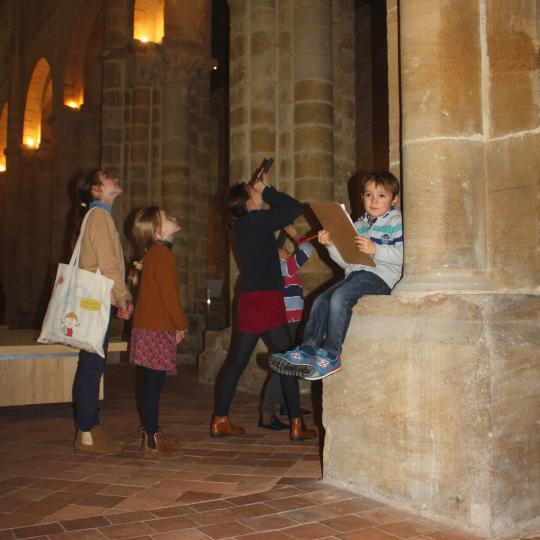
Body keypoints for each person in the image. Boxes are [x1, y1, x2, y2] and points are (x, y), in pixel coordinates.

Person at [211, 170, 316, 441]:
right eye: (253, 191)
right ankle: (296, 424)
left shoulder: (240, 226)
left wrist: (258, 190)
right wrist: (267, 189)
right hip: (267, 300)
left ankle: (220, 419)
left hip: (247, 300)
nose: (257, 193)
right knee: (288, 361)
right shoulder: (257, 220)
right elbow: (294, 208)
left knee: (235, 363)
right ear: (248, 202)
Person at [270, 170, 403, 381]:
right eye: (368, 195)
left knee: (340, 297)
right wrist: (331, 245)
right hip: (355, 274)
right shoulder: (357, 225)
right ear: (362, 198)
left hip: (380, 277)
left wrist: (375, 249)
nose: (374, 200)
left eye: (381, 195)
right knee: (321, 300)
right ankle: (307, 351)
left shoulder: (397, 221)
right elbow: (346, 262)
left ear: (394, 199)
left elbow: (403, 256)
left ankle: (331, 355)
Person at [73, 170, 133, 454]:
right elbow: (109, 265)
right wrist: (121, 298)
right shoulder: (100, 217)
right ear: (96, 190)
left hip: (97, 300)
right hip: (96, 302)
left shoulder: (97, 216)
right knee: (91, 367)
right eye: (108, 177)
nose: (114, 178)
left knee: (91, 366)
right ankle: (87, 433)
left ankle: (91, 429)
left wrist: (121, 297)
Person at [127, 206, 187, 458]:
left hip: (148, 328)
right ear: (158, 230)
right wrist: (181, 324)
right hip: (156, 329)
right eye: (167, 216)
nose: (174, 216)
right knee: (153, 385)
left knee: (150, 383)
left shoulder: (155, 253)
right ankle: (151, 438)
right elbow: (169, 296)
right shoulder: (163, 255)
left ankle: (151, 430)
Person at [259, 224, 313, 431]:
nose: (287, 250)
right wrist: (295, 235)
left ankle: (287, 406)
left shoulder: (269, 269)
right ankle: (267, 412)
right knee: (283, 367)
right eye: (281, 249)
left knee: (284, 364)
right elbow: (307, 250)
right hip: (288, 322)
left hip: (279, 321)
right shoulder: (286, 267)